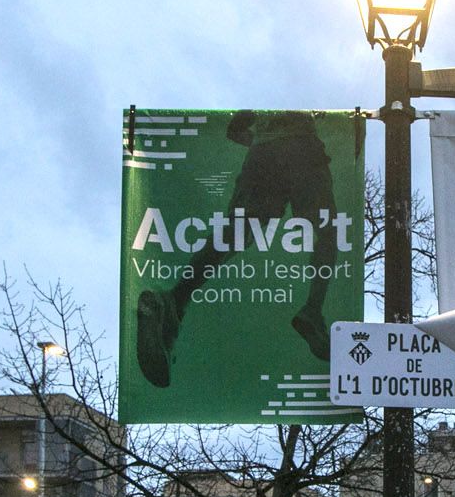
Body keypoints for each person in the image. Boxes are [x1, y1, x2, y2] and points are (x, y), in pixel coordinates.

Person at [136, 109, 347, 387]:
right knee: (327, 232)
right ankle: (312, 311)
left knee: (235, 234)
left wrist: (264, 140)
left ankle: (176, 299)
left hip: (261, 155)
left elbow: (234, 128)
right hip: (302, 149)